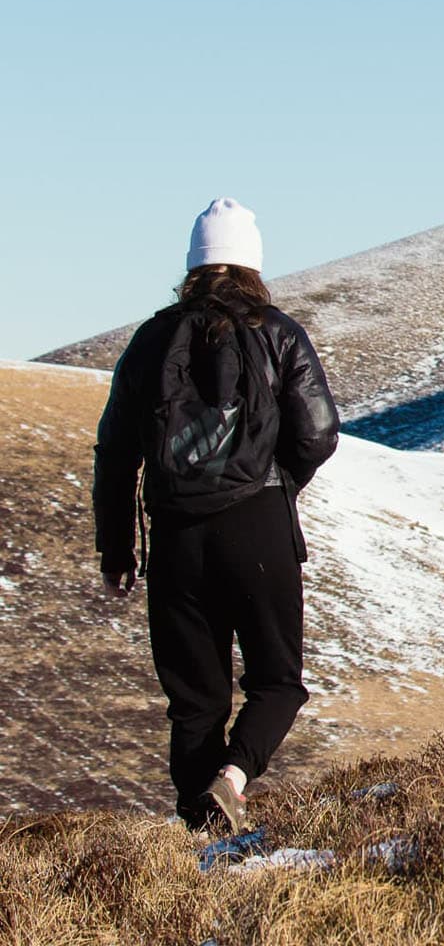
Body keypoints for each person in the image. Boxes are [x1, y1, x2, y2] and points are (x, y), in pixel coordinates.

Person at [93, 198, 339, 831]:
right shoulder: (278, 332)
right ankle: (231, 779)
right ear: (252, 264)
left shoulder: (150, 340)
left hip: (176, 538)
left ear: (192, 264)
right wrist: (277, 480)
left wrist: (116, 550)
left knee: (194, 703)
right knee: (277, 683)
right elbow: (318, 432)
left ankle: (199, 843)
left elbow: (115, 453)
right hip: (258, 525)